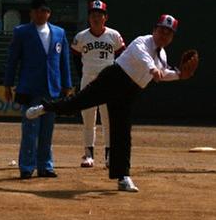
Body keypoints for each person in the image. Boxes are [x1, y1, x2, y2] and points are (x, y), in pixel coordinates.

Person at [26, 14, 192, 192]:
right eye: (161, 31)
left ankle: (123, 177)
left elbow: (164, 72)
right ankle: (45, 107)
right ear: (154, 30)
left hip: (130, 91)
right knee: (75, 104)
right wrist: (152, 69)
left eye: (168, 33)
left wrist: (179, 76)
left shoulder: (162, 55)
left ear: (172, 37)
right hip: (113, 79)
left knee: (122, 132)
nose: (164, 35)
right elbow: (144, 58)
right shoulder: (141, 42)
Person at [3, 0, 72, 179]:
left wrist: (67, 84)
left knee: (47, 130)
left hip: (52, 89)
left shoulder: (59, 33)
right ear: (32, 13)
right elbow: (13, 60)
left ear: (49, 13)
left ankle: (45, 165)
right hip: (30, 88)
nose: (42, 14)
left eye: (45, 11)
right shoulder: (22, 32)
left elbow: (64, 61)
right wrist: (8, 83)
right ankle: (26, 166)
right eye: (38, 11)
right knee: (29, 129)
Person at [71, 0, 125, 168]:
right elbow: (75, 57)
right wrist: (83, 75)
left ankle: (109, 156)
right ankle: (88, 155)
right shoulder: (81, 37)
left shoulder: (114, 35)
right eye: (93, 15)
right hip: (88, 80)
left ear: (105, 18)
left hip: (108, 82)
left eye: (99, 15)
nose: (96, 18)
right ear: (89, 18)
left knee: (109, 120)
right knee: (88, 119)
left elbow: (123, 54)